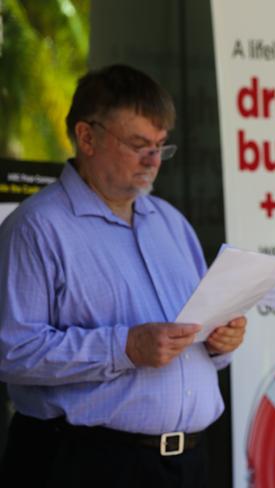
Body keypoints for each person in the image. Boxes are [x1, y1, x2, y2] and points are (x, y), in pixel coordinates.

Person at [0, 64, 247, 488]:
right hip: (87, 462)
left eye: (160, 146)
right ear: (87, 136)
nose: (153, 160)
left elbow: (194, 328)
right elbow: (12, 351)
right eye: (138, 144)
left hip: (188, 464)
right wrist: (124, 346)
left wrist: (221, 341)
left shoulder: (171, 222)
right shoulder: (36, 228)